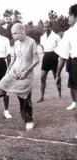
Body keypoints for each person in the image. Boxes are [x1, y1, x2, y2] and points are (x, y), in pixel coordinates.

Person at [0, 23, 40, 131]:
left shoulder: (31, 42)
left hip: (26, 74)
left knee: (24, 98)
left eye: (15, 33)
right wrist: (7, 71)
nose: (13, 36)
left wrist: (26, 72)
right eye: (12, 33)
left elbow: (36, 60)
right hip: (14, 71)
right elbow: (14, 59)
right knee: (1, 86)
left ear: (22, 31)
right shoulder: (15, 43)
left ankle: (29, 120)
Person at [55, 3, 77, 140]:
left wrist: (57, 74)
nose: (68, 18)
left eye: (69, 15)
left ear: (74, 16)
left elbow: (62, 57)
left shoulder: (70, 32)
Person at [37, 21, 61, 103]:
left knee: (56, 77)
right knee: (42, 77)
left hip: (54, 56)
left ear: (51, 27)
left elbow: (60, 47)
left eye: (48, 27)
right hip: (46, 57)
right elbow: (42, 46)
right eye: (45, 27)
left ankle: (60, 94)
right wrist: (44, 51)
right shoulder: (42, 37)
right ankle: (42, 97)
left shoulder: (56, 36)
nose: (46, 28)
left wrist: (57, 56)